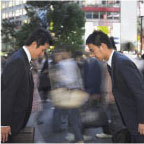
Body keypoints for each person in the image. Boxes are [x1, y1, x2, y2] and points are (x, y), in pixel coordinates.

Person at [86, 30, 144, 143]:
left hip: (137, 121)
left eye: (93, 50)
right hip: (130, 120)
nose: (92, 55)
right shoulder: (112, 62)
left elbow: (140, 93)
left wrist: (142, 121)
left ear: (102, 46)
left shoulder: (122, 62)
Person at [1, 28, 53, 143]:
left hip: (17, 120)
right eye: (43, 50)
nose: (42, 54)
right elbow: (7, 94)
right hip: (11, 122)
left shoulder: (24, 59)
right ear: (34, 44)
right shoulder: (18, 60)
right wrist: (3, 124)